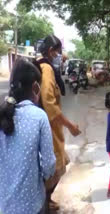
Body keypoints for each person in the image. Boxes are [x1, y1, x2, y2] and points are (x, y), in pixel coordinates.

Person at [0, 59, 56, 214]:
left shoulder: (3, 114)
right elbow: (49, 166)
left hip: (5, 205)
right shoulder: (38, 117)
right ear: (35, 87)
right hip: (32, 205)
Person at [36, 35, 81, 210]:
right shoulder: (46, 68)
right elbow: (49, 103)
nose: (59, 55)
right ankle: (44, 203)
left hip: (46, 125)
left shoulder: (39, 65)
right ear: (50, 51)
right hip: (48, 127)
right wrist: (70, 126)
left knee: (58, 164)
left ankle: (46, 200)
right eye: (57, 52)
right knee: (57, 166)